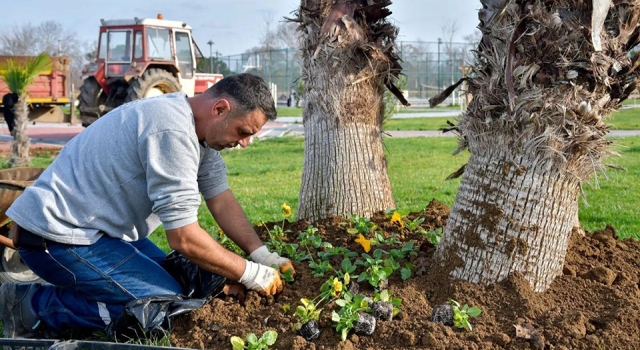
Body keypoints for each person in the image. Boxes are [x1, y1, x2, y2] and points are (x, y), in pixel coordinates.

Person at [0, 73, 295, 338]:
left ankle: (84, 287)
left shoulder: (194, 126)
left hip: (96, 232)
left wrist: (262, 255)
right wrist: (250, 273)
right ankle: (31, 306)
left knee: (179, 287)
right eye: (243, 132)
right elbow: (183, 237)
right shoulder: (172, 131)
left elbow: (220, 198)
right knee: (160, 309)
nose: (244, 143)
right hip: (55, 238)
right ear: (220, 109)